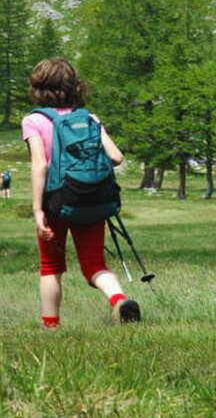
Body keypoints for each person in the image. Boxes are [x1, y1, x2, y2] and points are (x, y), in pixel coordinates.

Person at [21, 57, 140, 329]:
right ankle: (120, 300)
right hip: (91, 198)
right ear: (75, 87)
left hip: (56, 201)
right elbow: (117, 157)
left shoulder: (34, 121)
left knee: (51, 266)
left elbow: (40, 165)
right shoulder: (89, 118)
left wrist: (38, 210)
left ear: (38, 87)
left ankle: (50, 325)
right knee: (94, 263)